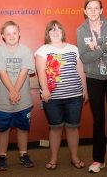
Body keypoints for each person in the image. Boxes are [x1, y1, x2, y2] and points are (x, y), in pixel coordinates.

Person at [77, 0, 107, 176]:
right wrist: (104, 47)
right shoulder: (81, 30)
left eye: (97, 8)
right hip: (94, 78)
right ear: (85, 11)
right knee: (98, 121)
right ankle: (98, 159)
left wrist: (97, 48)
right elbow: (85, 58)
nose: (93, 11)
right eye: (90, 8)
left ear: (102, 10)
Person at [35, 20, 88, 170]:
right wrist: (44, 90)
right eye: (52, 29)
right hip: (52, 98)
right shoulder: (42, 50)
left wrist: (85, 89)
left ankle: (74, 158)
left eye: (58, 28)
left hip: (74, 96)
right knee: (55, 128)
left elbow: (80, 70)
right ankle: (53, 159)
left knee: (72, 128)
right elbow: (40, 72)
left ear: (62, 31)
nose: (55, 31)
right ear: (48, 33)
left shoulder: (73, 49)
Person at [0, 21, 35, 171]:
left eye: (14, 33)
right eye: (8, 33)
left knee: (23, 129)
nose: (11, 36)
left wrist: (15, 92)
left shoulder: (25, 50)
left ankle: (23, 154)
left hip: (22, 99)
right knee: (3, 130)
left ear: (19, 34)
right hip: (3, 101)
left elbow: (24, 71)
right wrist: (12, 91)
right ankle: (2, 156)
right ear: (3, 36)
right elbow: (2, 72)